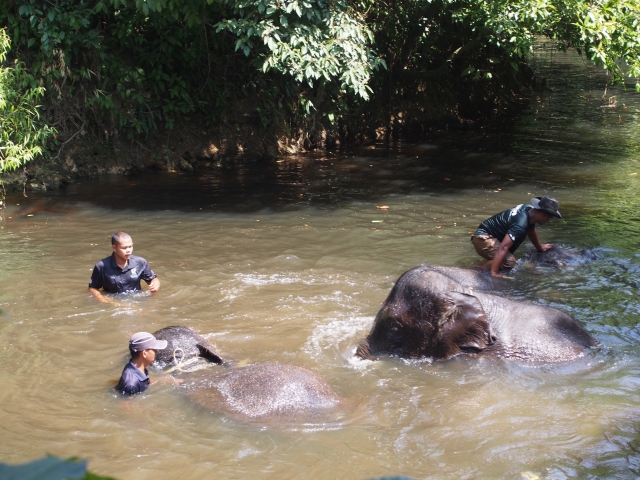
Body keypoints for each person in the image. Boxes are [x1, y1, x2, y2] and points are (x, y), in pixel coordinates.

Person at [471, 196, 562, 277]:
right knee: (509, 262)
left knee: (506, 259)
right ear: (544, 215)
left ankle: (483, 265)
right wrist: (494, 273)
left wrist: (540, 247)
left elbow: (531, 230)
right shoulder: (520, 225)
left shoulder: (529, 210)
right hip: (483, 238)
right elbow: (503, 247)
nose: (548, 220)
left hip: (491, 235)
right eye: (550, 217)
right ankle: (477, 270)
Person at [89, 231, 160, 303]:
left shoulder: (140, 262)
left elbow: (153, 279)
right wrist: (103, 299)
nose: (128, 250)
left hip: (137, 301)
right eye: (124, 248)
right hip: (114, 304)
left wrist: (155, 284)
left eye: (130, 246)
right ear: (114, 248)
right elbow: (93, 288)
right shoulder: (102, 266)